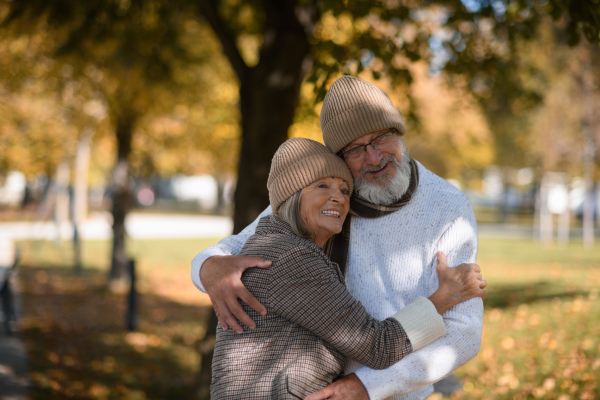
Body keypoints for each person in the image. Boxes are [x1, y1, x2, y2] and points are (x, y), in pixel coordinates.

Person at [192, 75, 486, 400]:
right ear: (338, 160)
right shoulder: (321, 197)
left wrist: (368, 387)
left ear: (398, 133)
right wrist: (208, 268)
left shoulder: (447, 206)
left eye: (381, 138)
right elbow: (237, 247)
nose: (374, 158)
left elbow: (465, 331)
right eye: (355, 150)